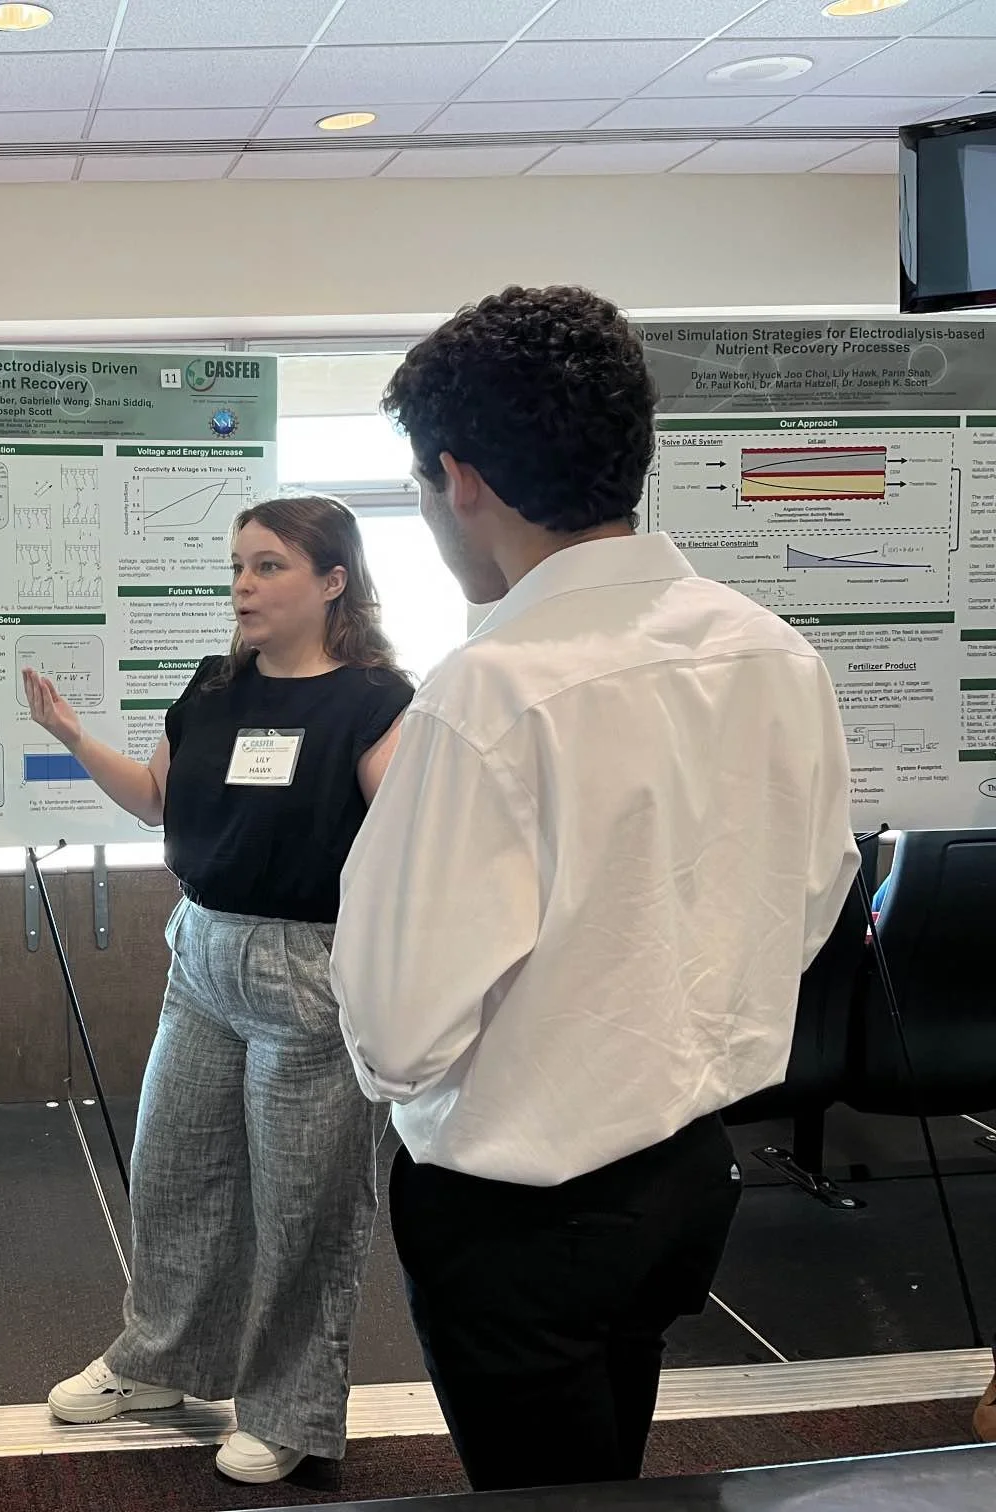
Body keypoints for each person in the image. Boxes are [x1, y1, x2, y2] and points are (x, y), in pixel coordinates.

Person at [332, 286, 859, 1493]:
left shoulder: (490, 692)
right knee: (612, 1458)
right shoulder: (772, 650)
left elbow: (401, 1033)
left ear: (460, 478)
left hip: (522, 1210)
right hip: (687, 1170)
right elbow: (816, 899)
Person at [27, 496, 410, 1488]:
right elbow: (158, 799)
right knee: (173, 1172)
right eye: (238, 565)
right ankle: (163, 1364)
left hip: (309, 973)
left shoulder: (377, 702)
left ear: (334, 581)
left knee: (304, 1205)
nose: (243, 584)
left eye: (270, 566)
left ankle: (287, 1408)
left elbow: (415, 846)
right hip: (200, 954)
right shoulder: (214, 688)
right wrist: (70, 735)